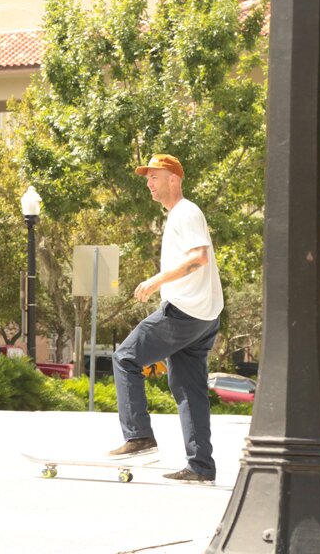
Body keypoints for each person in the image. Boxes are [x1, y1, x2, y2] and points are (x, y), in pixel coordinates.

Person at [107, 154, 223, 485]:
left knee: (125, 357)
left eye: (154, 177)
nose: (149, 184)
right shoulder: (182, 215)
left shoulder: (184, 212)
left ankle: (139, 436)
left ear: (174, 179)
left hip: (184, 312)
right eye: (148, 178)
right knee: (189, 389)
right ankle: (201, 466)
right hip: (205, 317)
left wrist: (156, 281)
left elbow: (198, 258)